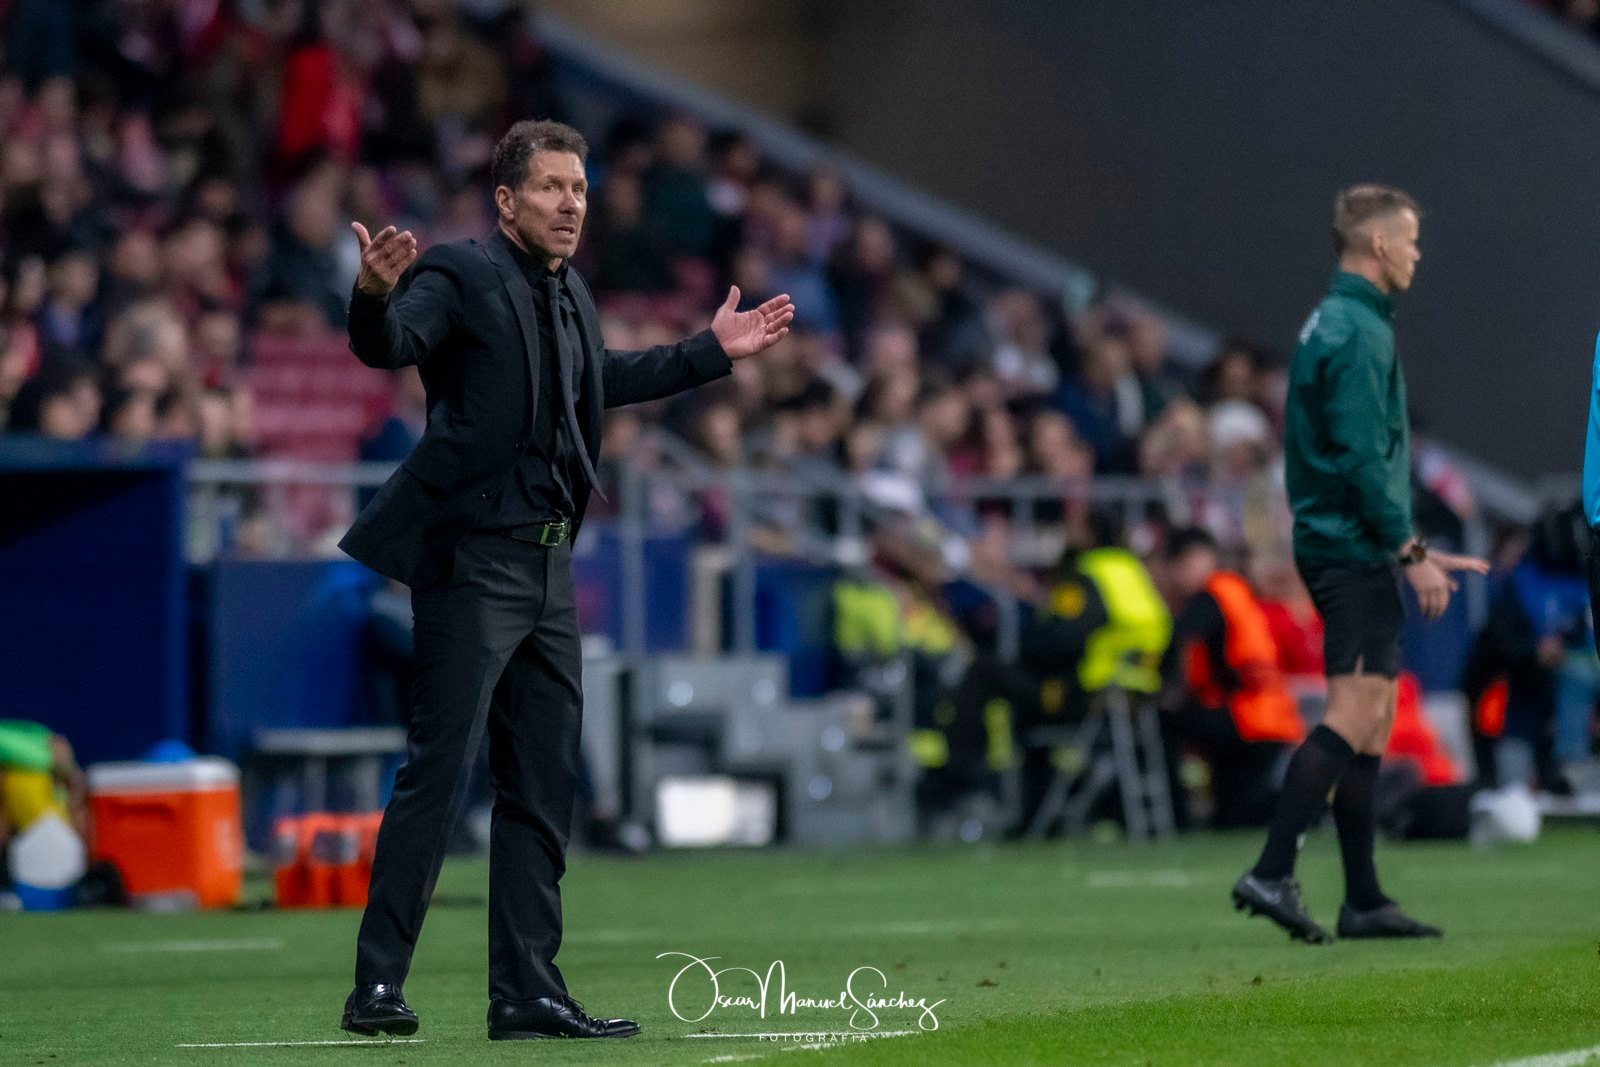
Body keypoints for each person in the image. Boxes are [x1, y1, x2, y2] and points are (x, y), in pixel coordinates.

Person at [337, 119, 793, 1042]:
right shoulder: (460, 272)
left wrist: (709, 351)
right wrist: (373, 295)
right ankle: (376, 984)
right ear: (506, 199)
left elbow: (602, 378)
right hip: (472, 562)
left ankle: (527, 991)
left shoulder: (572, 290)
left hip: (549, 567)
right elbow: (392, 343)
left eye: (579, 188)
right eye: (550, 187)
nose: (570, 203)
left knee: (543, 785)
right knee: (440, 771)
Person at [1230, 185, 1486, 943]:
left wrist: (1410, 546)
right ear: (1378, 245)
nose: (1416, 253)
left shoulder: (1337, 319)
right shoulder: (1358, 329)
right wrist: (1412, 553)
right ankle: (1271, 870)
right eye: (1410, 240)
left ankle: (1364, 899)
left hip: (1343, 540)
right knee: (1352, 711)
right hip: (1349, 546)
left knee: (1374, 719)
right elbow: (1363, 458)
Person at [1159, 528, 1304, 828]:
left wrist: (1166, 688)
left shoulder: (1212, 593)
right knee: (1234, 812)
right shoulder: (1236, 589)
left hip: (1247, 717)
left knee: (1163, 722)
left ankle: (1175, 816)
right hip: (1271, 717)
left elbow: (1179, 641)